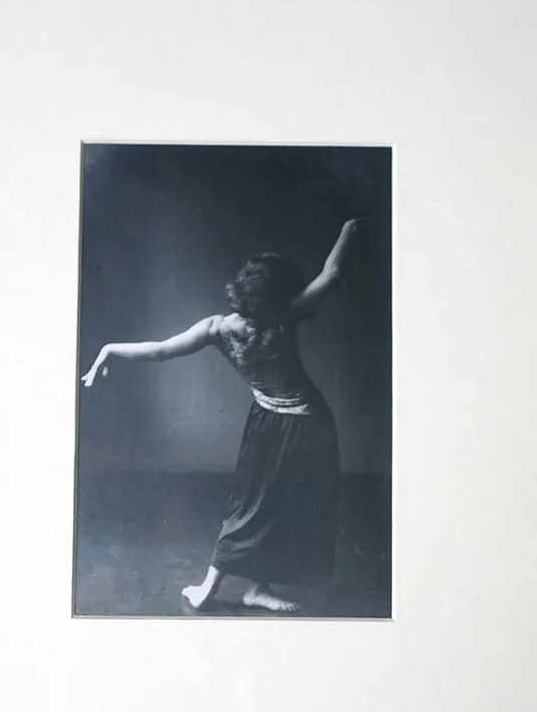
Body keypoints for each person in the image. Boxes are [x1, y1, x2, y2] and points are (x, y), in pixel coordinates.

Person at [81, 219, 364, 614]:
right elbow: (331, 274)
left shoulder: (219, 327)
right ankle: (209, 587)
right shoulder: (286, 316)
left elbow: (161, 349)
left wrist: (109, 349)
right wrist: (349, 231)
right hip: (292, 422)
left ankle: (256, 588)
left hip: (296, 425)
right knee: (254, 507)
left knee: (281, 507)